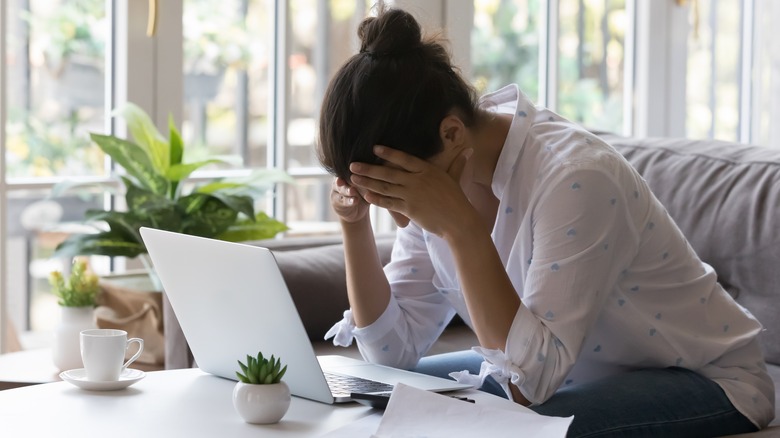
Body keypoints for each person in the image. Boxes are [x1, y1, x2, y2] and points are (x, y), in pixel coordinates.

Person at [316, 6, 774, 437]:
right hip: (564, 372)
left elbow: (526, 383)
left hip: (703, 378)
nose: (397, 215)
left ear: (452, 133)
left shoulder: (575, 177)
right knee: (380, 389)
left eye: (392, 193)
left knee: (497, 427)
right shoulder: (436, 170)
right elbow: (391, 354)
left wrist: (463, 230)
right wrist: (354, 226)